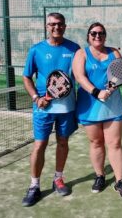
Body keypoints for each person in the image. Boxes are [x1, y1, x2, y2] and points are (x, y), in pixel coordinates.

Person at [22, 12, 80, 207]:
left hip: (67, 107)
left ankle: (58, 179)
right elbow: (26, 77)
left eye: (60, 24)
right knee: (40, 145)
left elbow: (81, 74)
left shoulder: (74, 49)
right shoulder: (36, 50)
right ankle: (34, 186)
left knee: (63, 142)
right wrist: (36, 98)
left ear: (65, 26)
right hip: (42, 108)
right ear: (48, 26)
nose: (57, 27)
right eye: (53, 24)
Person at [72, 22, 122, 199]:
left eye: (101, 33)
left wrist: (111, 89)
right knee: (96, 143)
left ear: (105, 36)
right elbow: (79, 77)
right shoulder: (81, 53)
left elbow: (121, 74)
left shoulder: (114, 53)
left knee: (114, 144)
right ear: (88, 35)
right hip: (89, 107)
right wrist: (97, 92)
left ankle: (119, 181)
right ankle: (100, 176)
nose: (97, 36)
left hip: (113, 106)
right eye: (94, 33)